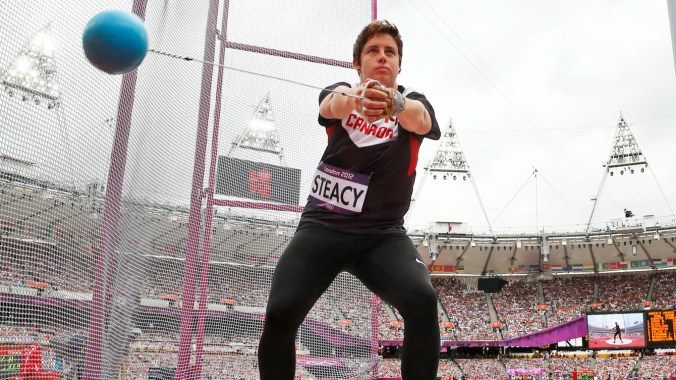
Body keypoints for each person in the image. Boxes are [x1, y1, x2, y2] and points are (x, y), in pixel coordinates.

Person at [258, 19, 441, 380]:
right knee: (280, 311)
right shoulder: (344, 92)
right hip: (323, 229)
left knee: (423, 301)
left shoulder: (414, 103)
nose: (382, 57)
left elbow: (421, 120)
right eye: (373, 51)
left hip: (383, 237)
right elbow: (330, 105)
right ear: (358, 63)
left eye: (390, 52)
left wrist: (395, 102)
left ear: (399, 64)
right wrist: (355, 99)